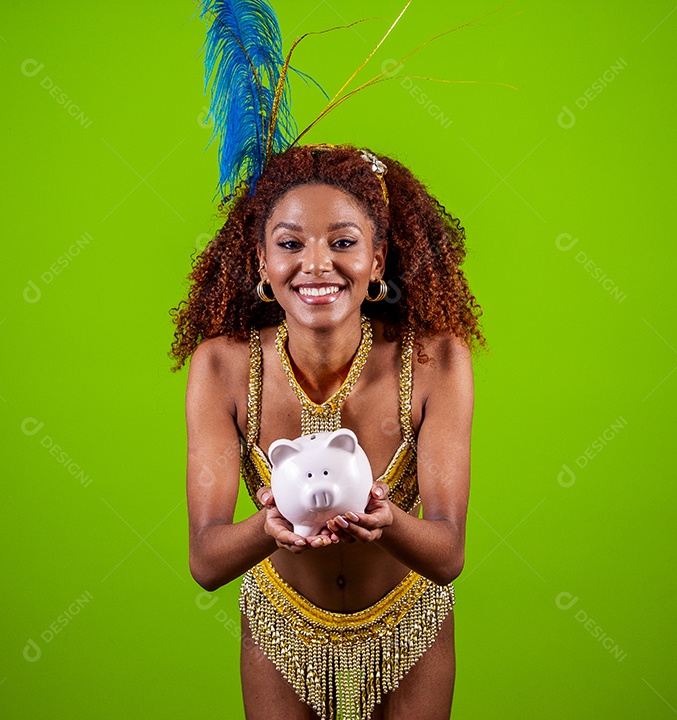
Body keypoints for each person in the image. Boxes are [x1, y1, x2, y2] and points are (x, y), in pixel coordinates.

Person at [171, 142, 484, 719]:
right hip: (281, 629)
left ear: (378, 260)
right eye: (291, 243)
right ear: (262, 262)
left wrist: (386, 521)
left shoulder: (436, 362)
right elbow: (207, 561)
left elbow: (447, 554)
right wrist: (271, 527)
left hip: (410, 625)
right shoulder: (221, 367)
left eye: (343, 242)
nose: (316, 264)